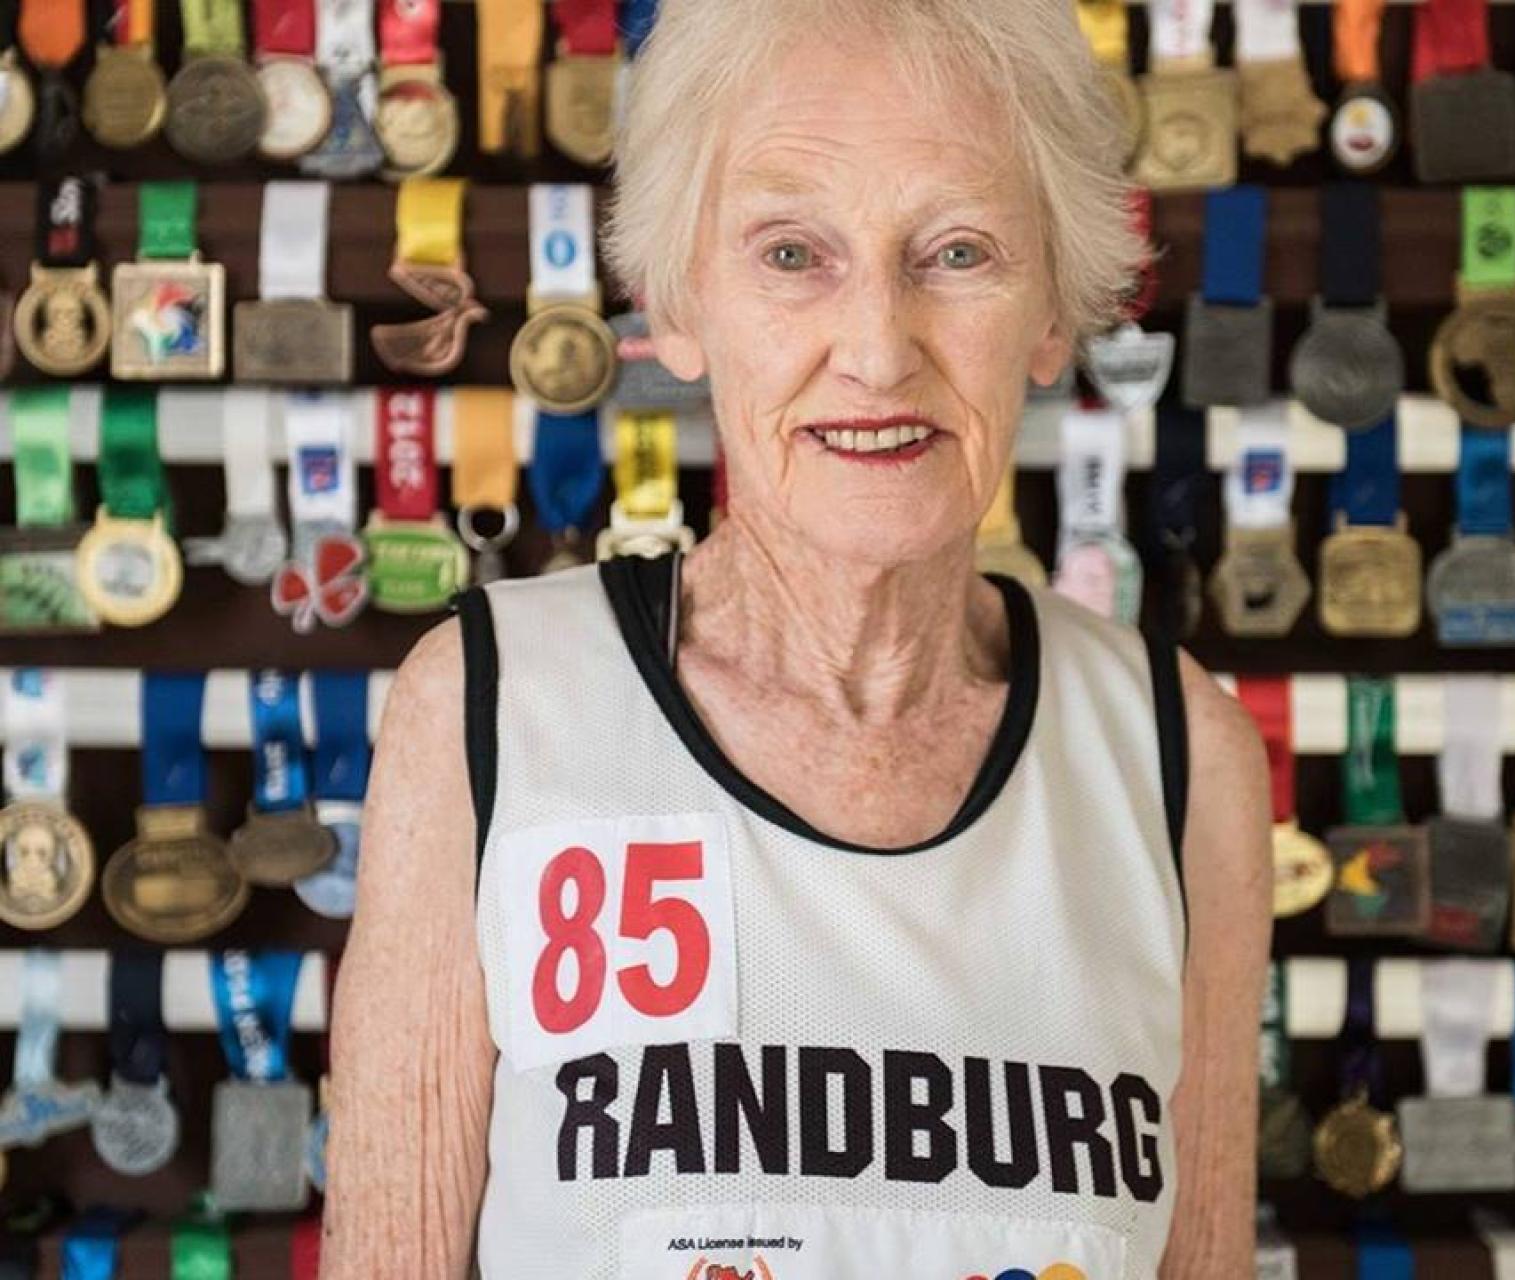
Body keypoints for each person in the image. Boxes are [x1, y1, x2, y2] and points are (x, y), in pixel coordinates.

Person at [323, 0, 1272, 1275]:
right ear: (676, 304)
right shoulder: (488, 710)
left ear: (1052, 309)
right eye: (790, 254)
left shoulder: (1177, 754)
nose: (876, 352)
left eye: (956, 252)